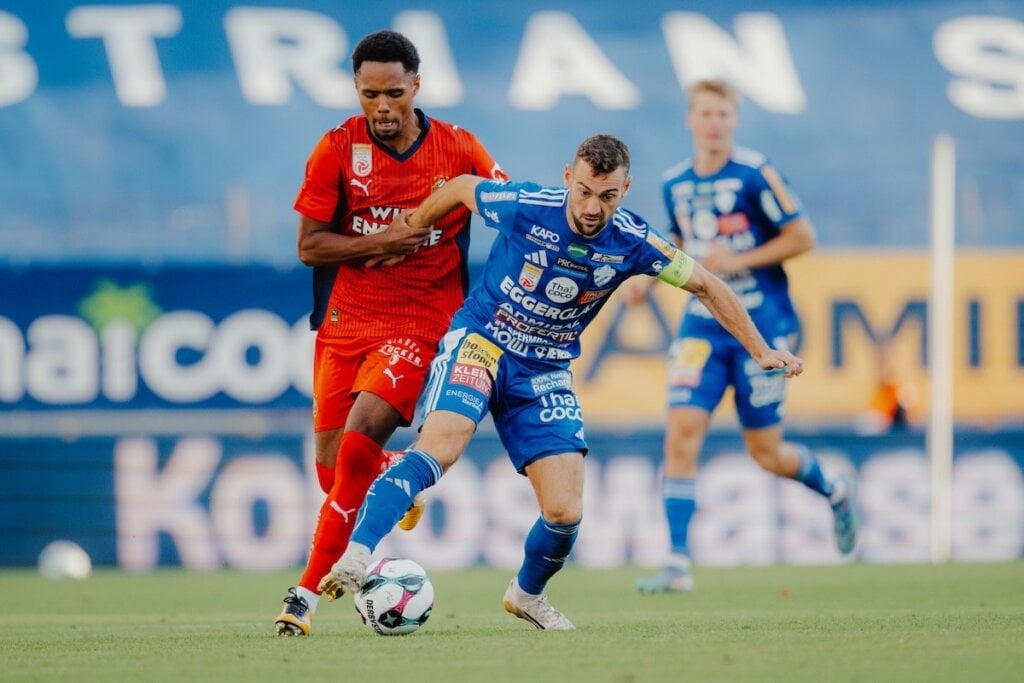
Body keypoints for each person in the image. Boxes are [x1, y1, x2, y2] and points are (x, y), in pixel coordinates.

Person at [316, 134, 803, 631]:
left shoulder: (634, 241)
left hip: (546, 369)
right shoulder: (527, 203)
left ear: (625, 190)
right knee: (442, 446)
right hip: (483, 340)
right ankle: (357, 555)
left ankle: (526, 594)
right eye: (585, 191)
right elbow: (463, 186)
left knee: (566, 513)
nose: (593, 207)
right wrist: (414, 225)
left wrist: (760, 349)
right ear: (569, 177)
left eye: (608, 196)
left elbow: (706, 283)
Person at [274, 30, 507, 636]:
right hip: (345, 323)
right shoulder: (335, 149)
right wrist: (386, 240)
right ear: (356, 87)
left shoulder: (458, 148)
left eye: (394, 94)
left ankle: (302, 598)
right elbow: (309, 246)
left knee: (354, 449)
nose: (382, 107)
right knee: (332, 470)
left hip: (422, 321)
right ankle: (397, 473)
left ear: (416, 88)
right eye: (370, 93)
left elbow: (509, 202)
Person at [629, 79, 857, 595]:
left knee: (766, 453)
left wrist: (742, 260)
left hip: (764, 325)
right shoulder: (675, 183)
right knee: (681, 435)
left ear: (734, 121)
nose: (714, 123)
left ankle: (836, 487)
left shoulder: (757, 174)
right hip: (702, 325)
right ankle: (677, 566)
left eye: (723, 115)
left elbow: (803, 237)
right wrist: (645, 279)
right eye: (705, 113)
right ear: (691, 119)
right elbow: (682, 243)